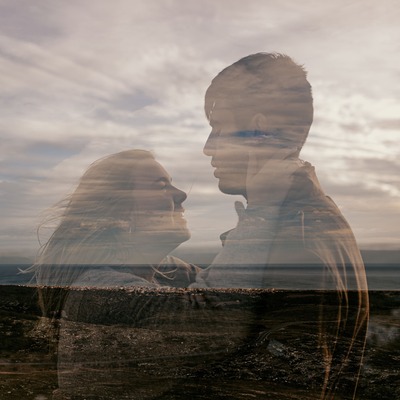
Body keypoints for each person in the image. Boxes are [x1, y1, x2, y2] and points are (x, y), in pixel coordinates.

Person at [191, 53, 369, 399]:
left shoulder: (293, 236)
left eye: (218, 129)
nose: (207, 148)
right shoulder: (310, 217)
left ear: (258, 131)